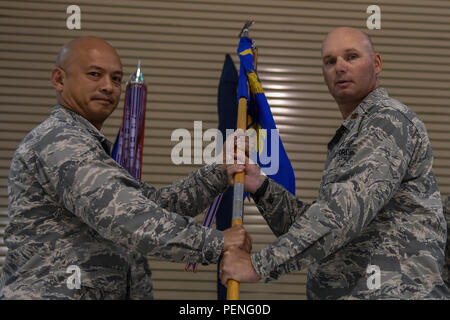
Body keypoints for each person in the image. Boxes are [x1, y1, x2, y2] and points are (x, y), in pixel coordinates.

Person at [0, 36, 251, 299]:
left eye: (117, 79)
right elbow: (124, 217)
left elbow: (151, 205)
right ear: (59, 79)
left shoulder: (92, 149)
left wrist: (220, 171)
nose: (108, 86)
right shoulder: (59, 141)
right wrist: (215, 242)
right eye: (95, 74)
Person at [220, 27, 450, 299]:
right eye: (330, 61)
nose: (339, 67)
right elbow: (326, 226)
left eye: (351, 57)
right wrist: (260, 186)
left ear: (376, 63)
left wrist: (259, 265)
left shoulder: (389, 121)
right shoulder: (352, 133)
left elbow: (345, 213)